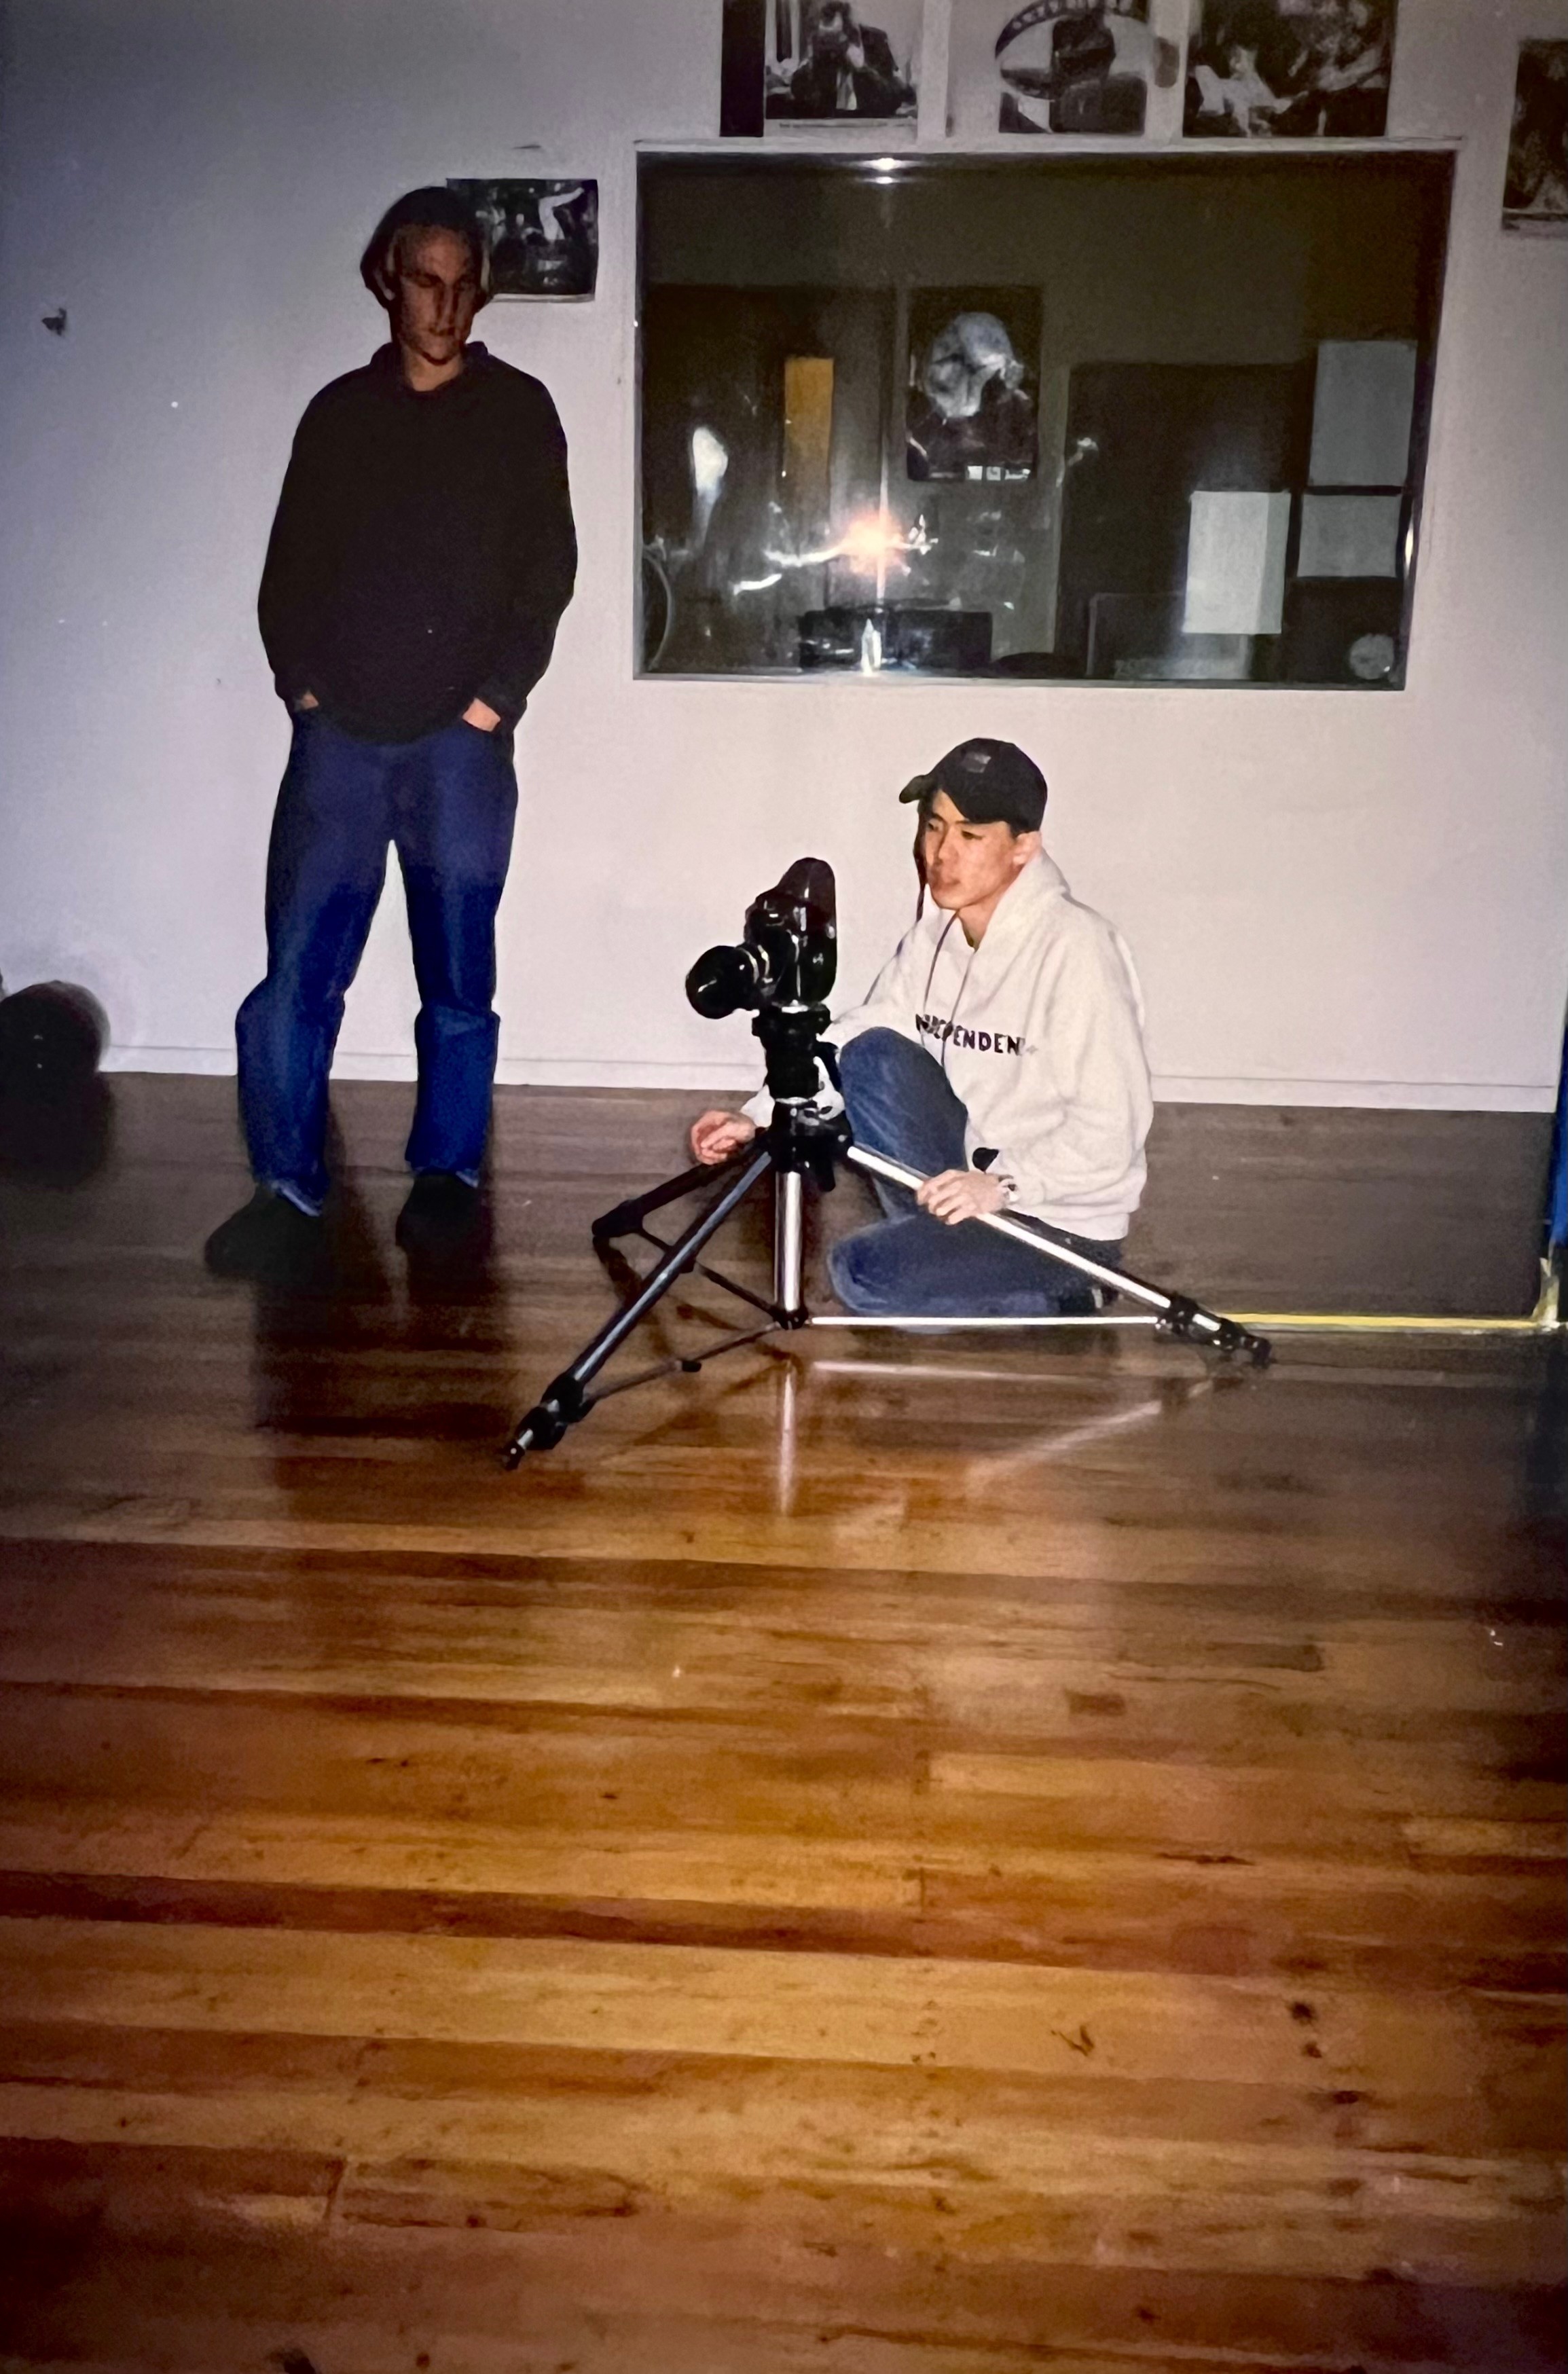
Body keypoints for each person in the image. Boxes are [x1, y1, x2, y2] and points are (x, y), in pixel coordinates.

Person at [205, 187, 576, 1278]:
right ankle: (286, 1186)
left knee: (458, 974)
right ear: (387, 279)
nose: (447, 306)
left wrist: (491, 703)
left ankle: (448, 1176)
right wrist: (305, 691)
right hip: (342, 746)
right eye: (426, 282)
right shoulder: (337, 415)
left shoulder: (520, 412)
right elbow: (289, 576)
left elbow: (545, 573)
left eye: (465, 286)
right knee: (294, 977)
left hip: (461, 745)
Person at [689, 739, 1152, 1317]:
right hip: (969, 1175)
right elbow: (862, 1031)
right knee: (871, 1054)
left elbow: (1112, 1131)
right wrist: (758, 1114)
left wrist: (1003, 1187)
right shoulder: (939, 929)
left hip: (1056, 1219)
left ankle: (1068, 1288)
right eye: (933, 827)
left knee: (861, 1274)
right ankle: (944, 1242)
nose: (940, 854)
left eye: (969, 836)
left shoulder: (1078, 950)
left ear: (1023, 848)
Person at [784, 0, 913, 118]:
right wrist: (812, 64)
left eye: (836, 37)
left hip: (871, 124)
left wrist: (862, 69)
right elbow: (809, 102)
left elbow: (892, 100)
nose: (831, 44)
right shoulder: (822, 50)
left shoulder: (875, 41)